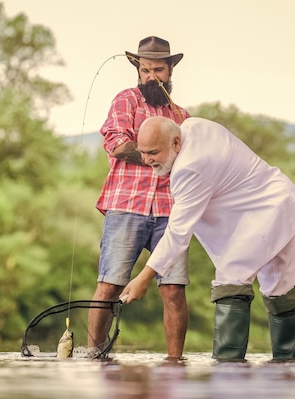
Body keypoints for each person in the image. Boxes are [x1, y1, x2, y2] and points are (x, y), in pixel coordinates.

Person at [120, 116, 295, 362]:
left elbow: (178, 234)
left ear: (177, 143)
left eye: (153, 153)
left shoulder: (189, 168)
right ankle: (286, 370)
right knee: (281, 288)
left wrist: (143, 278)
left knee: (231, 280)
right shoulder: (193, 124)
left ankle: (228, 370)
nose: (146, 160)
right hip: (281, 200)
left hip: (264, 213)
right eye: (143, 152)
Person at [87, 36, 190, 360]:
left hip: (170, 210)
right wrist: (158, 155)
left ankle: (175, 363)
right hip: (126, 205)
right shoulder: (126, 100)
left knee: (173, 290)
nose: (151, 76)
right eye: (145, 70)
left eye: (158, 69)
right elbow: (116, 144)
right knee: (110, 285)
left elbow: (189, 163)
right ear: (138, 70)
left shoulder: (182, 115)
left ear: (170, 69)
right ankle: (94, 356)